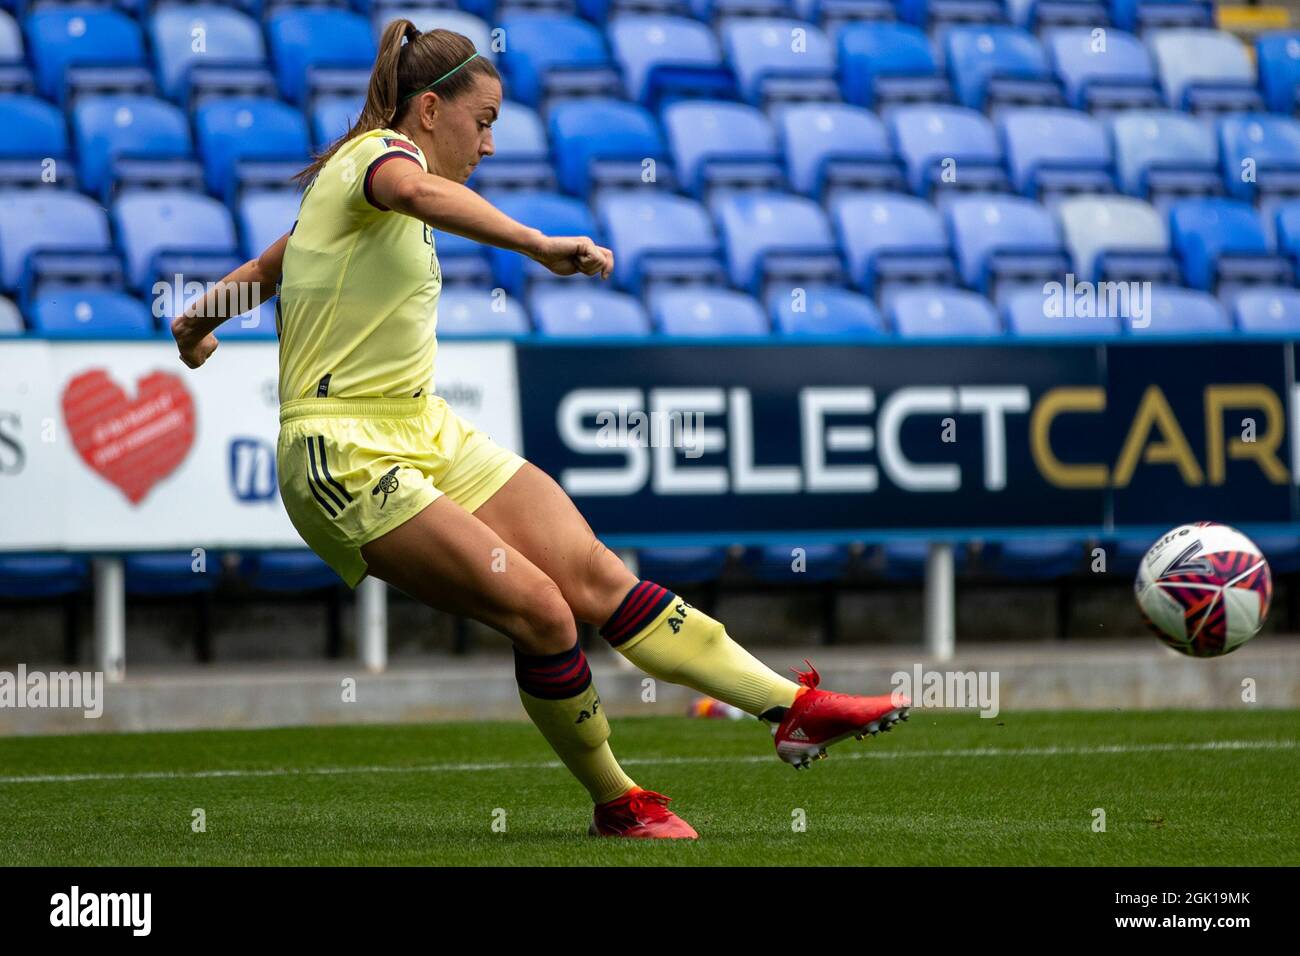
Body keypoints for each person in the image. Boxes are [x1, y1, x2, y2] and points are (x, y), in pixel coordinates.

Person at [171, 21, 909, 840]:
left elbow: (277, 264)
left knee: (593, 575)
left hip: (424, 431)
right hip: (340, 453)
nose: (488, 143)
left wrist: (196, 322)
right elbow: (413, 192)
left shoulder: (355, 194)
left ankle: (793, 708)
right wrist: (536, 243)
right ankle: (617, 802)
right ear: (427, 110)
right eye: (482, 120)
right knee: (544, 613)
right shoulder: (383, 163)